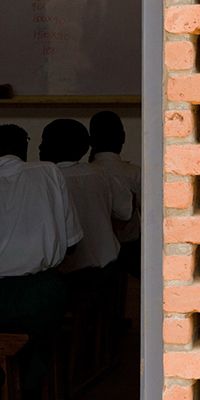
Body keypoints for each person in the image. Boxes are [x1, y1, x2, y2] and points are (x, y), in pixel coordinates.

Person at [0, 122, 83, 339]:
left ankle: (3, 369)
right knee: (39, 339)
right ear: (4, 145)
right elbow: (72, 246)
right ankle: (35, 367)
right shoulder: (50, 171)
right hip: (45, 294)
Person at [40, 118, 132, 292]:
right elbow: (125, 212)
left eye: (44, 142)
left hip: (68, 277)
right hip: (107, 270)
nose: (39, 148)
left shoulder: (47, 180)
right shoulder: (99, 173)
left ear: (56, 148)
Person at [89, 111, 143, 277]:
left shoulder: (85, 173)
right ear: (123, 138)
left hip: (91, 251)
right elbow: (150, 216)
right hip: (130, 252)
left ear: (91, 141)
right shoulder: (135, 173)